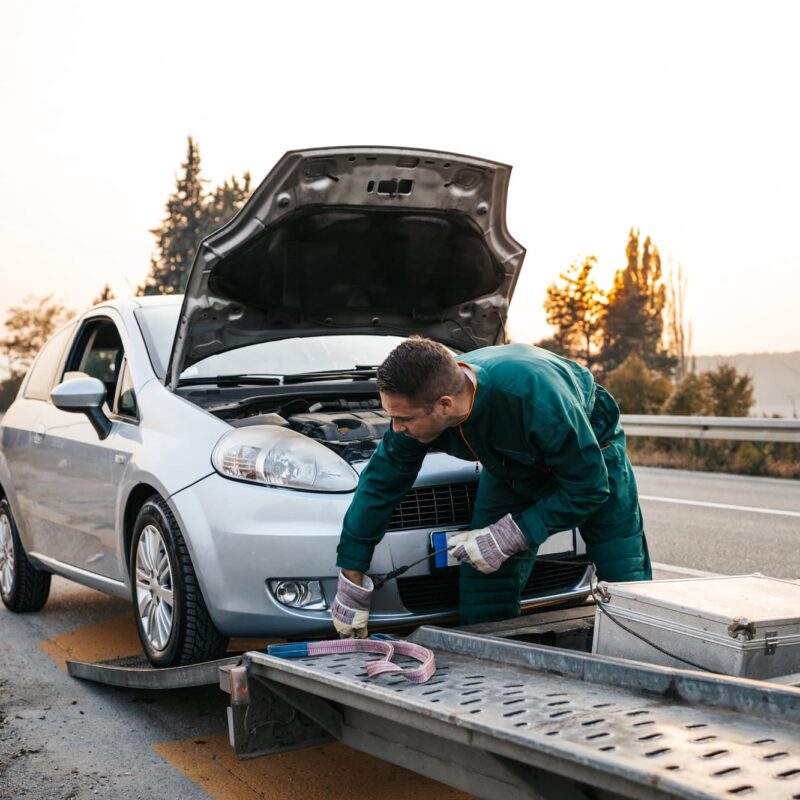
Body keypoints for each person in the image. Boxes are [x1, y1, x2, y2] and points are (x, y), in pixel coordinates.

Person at [331, 337, 651, 638]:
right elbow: (380, 483)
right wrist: (351, 575)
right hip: (510, 465)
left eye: (403, 419)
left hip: (592, 452)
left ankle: (641, 660)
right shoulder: (424, 404)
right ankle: (493, 667)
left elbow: (589, 488)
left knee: (621, 567)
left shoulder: (540, 402)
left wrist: (510, 535)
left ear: (444, 405)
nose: (396, 428)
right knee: (485, 580)